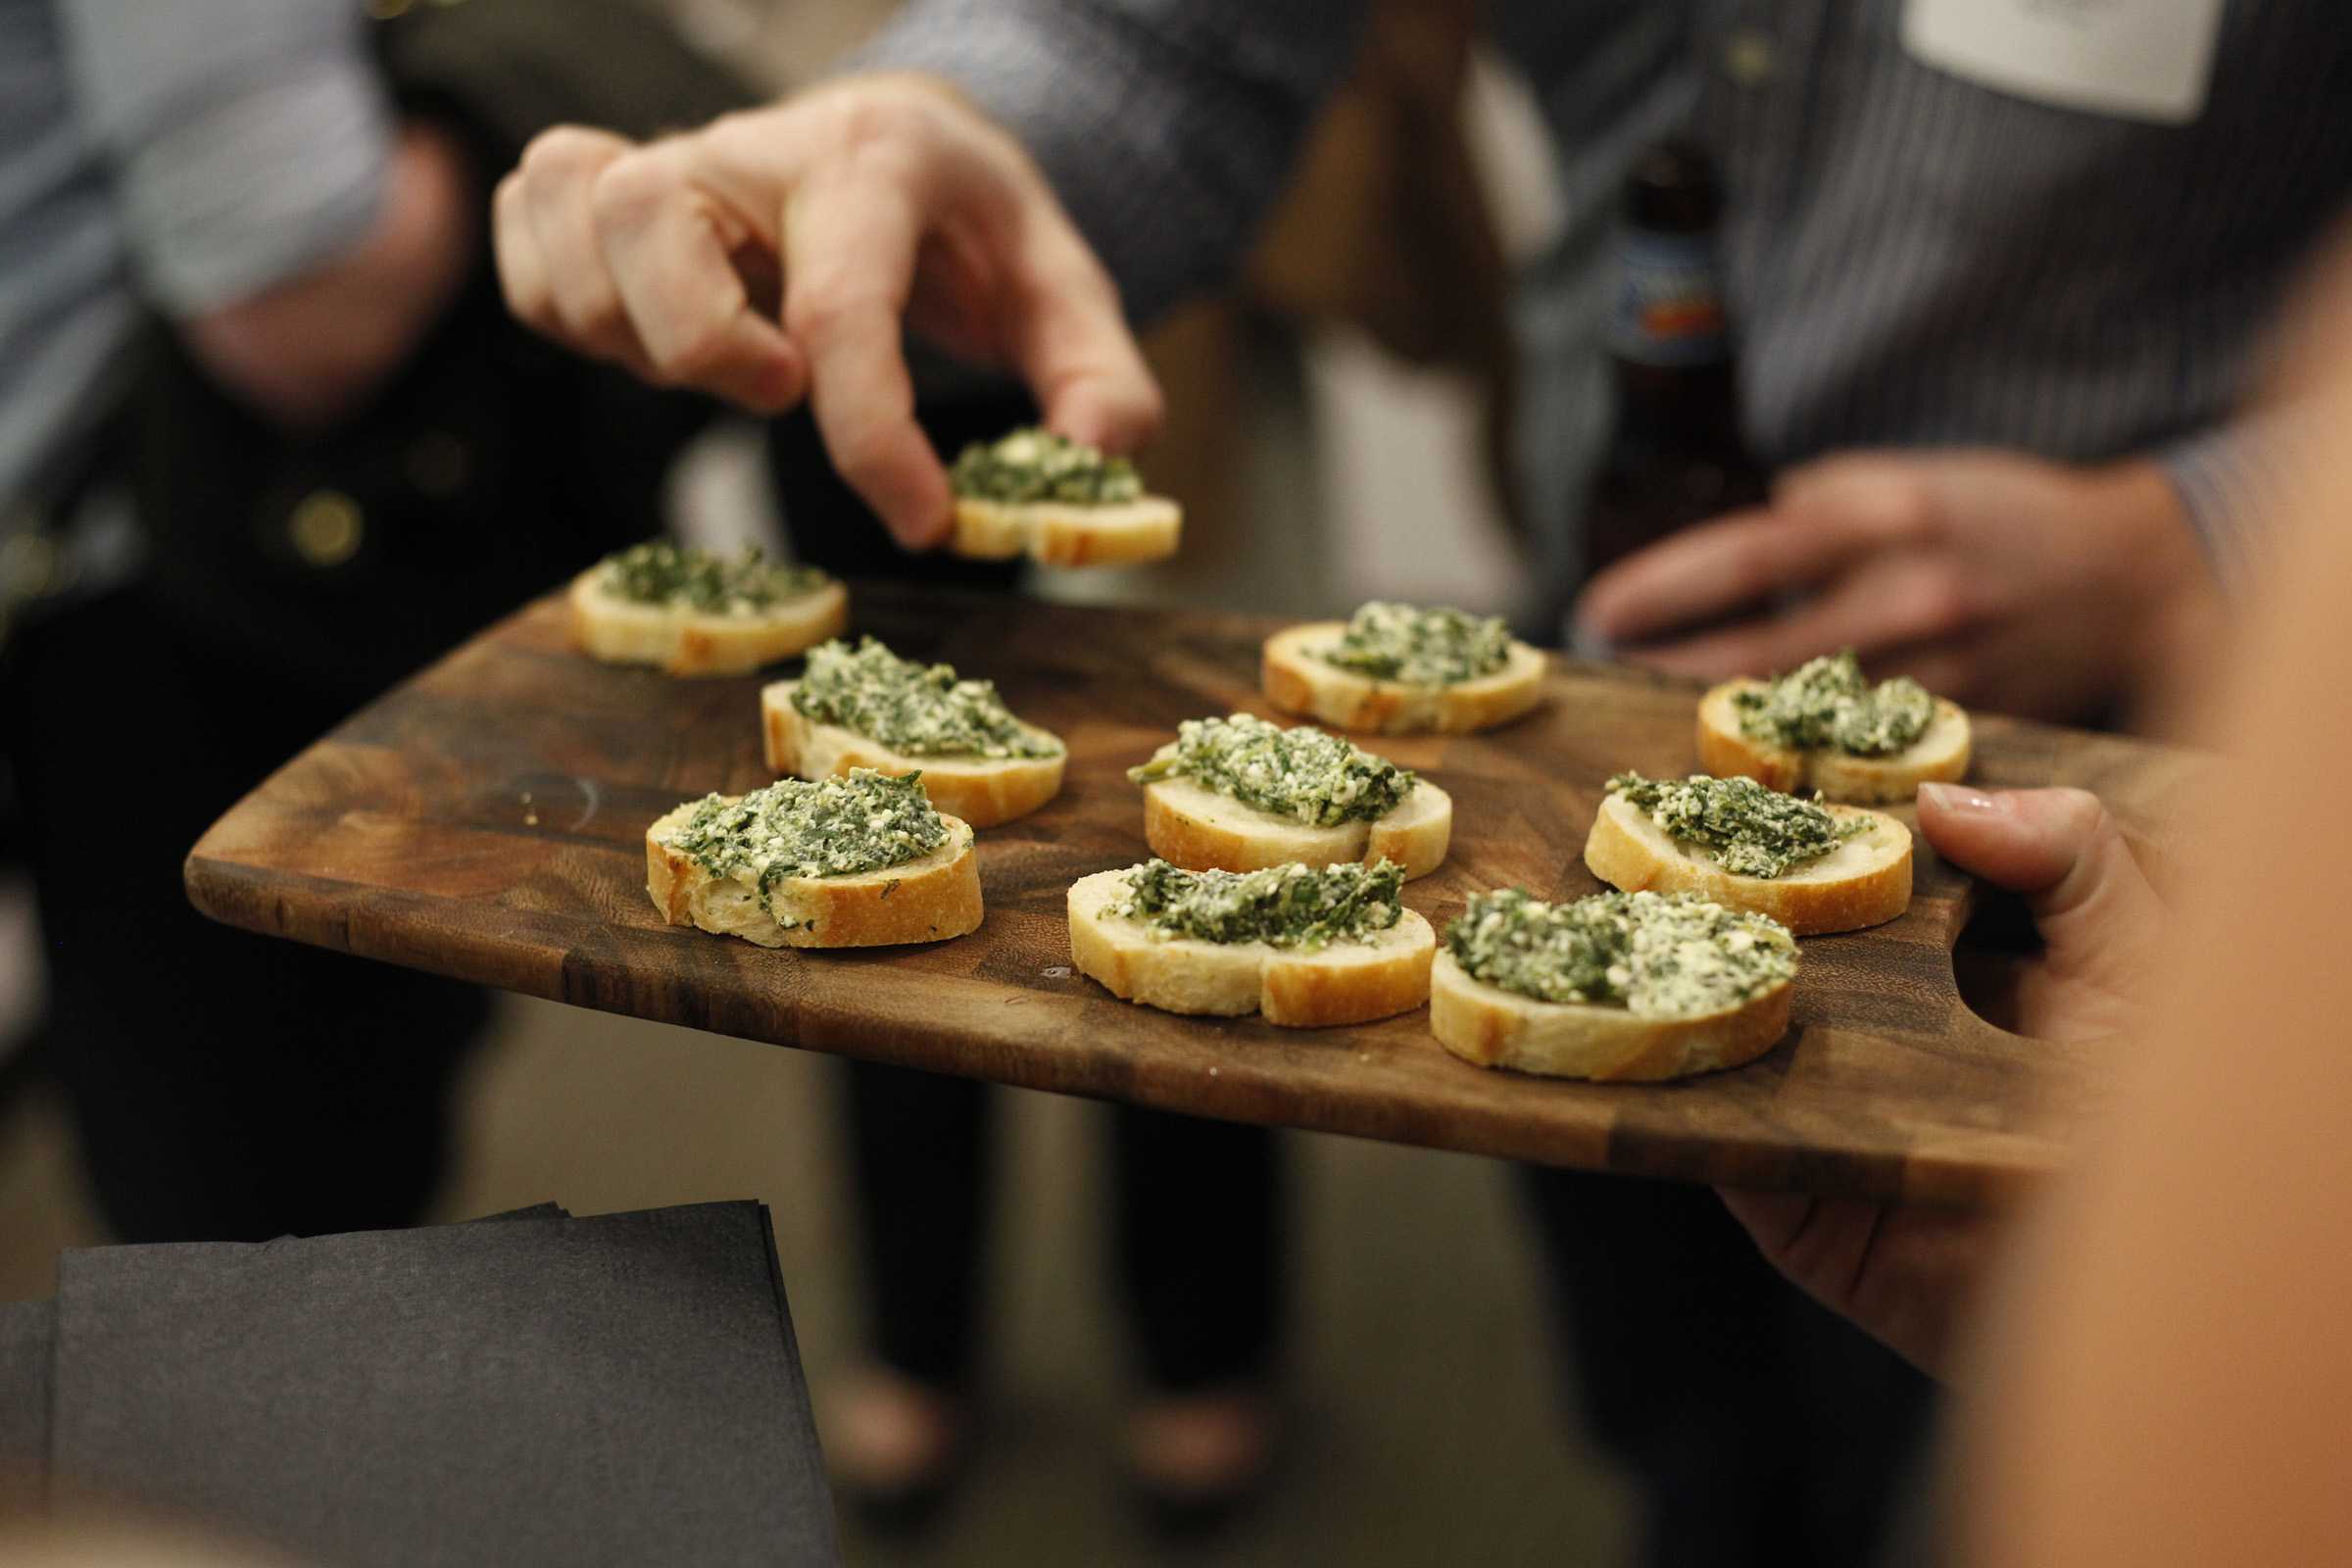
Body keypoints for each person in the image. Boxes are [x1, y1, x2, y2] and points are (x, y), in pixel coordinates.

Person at [488, 4, 2352, 1560]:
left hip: (2189, 838)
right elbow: (1179, 41)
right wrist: (932, 118)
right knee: (1684, 1436)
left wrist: (2200, 540)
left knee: (2024, 1482)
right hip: (1594, 715)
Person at [0, 0, 733, 1242]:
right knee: (283, 1253)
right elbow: (301, 302)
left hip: (150, 583)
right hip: (188, 619)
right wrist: (536, 107)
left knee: (258, 1192)